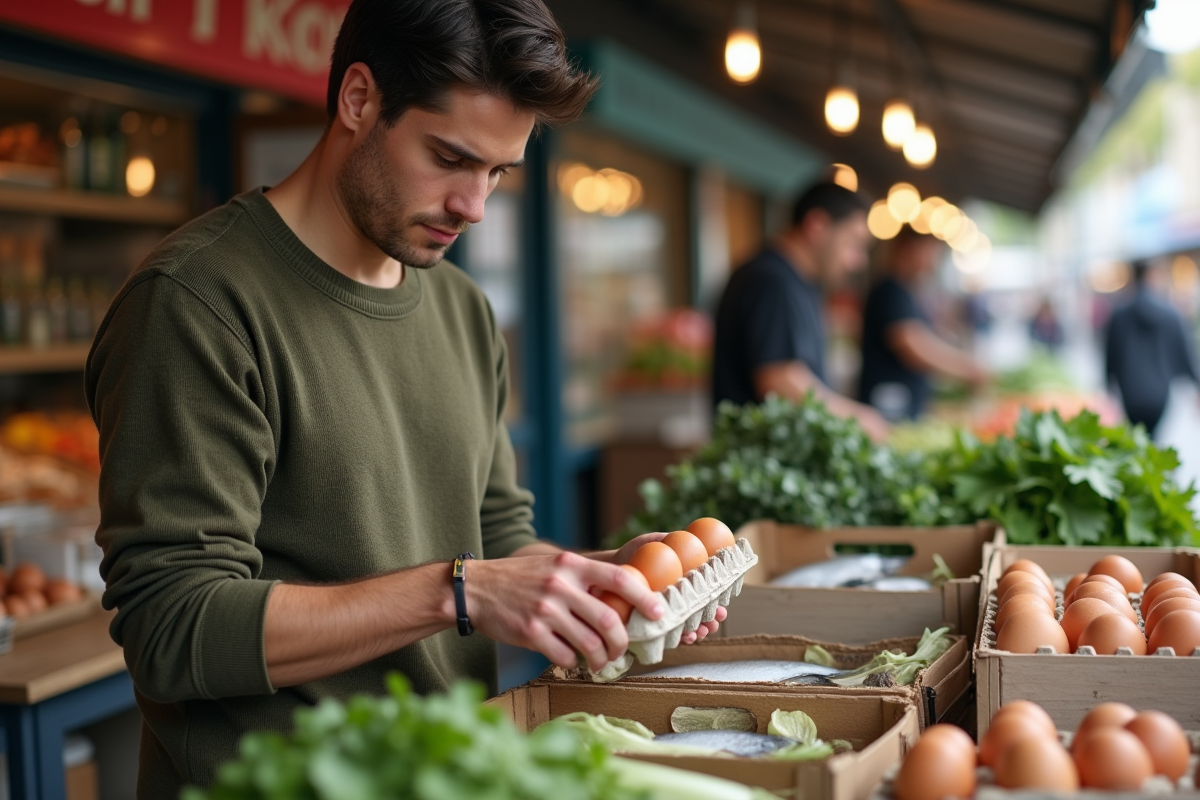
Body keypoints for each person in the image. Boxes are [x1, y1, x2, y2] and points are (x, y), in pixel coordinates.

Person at [86, 1, 721, 795]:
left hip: (445, 773)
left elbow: (495, 535)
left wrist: (588, 580)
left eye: (497, 172)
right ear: (359, 100)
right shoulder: (197, 302)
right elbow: (173, 628)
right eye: (450, 157)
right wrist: (459, 591)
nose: (475, 205)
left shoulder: (462, 308)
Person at [712, 182, 888, 439]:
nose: (858, 261)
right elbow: (779, 380)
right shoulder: (769, 280)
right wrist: (858, 418)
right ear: (817, 225)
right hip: (760, 463)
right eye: (853, 243)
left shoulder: (799, 283)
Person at [858, 227, 987, 421]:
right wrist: (966, 368)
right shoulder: (891, 291)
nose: (932, 261)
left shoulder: (906, 291)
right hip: (890, 406)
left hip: (904, 404)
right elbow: (911, 344)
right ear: (909, 249)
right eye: (929, 251)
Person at [1105, 259, 1200, 436]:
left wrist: (1107, 388)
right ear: (1152, 276)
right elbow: (1185, 354)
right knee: (1152, 442)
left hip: (1129, 392)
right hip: (1160, 393)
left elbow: (1110, 355)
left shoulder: (1118, 315)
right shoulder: (1171, 313)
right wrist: (1196, 385)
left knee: (1137, 438)